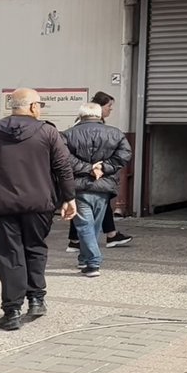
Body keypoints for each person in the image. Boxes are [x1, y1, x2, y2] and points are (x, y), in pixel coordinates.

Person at [0, 87, 77, 331]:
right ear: (34, 107)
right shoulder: (48, 132)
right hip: (39, 202)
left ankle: (11, 312)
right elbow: (63, 167)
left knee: (10, 255)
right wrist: (69, 198)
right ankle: (36, 300)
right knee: (35, 248)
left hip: (4, 202)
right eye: (40, 105)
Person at [62, 103, 133, 277]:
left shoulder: (67, 134)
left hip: (79, 186)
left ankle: (93, 262)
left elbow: (63, 158)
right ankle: (84, 259)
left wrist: (87, 168)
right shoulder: (115, 133)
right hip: (104, 187)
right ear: (100, 115)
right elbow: (125, 154)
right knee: (92, 226)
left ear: (81, 115)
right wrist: (104, 167)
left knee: (85, 225)